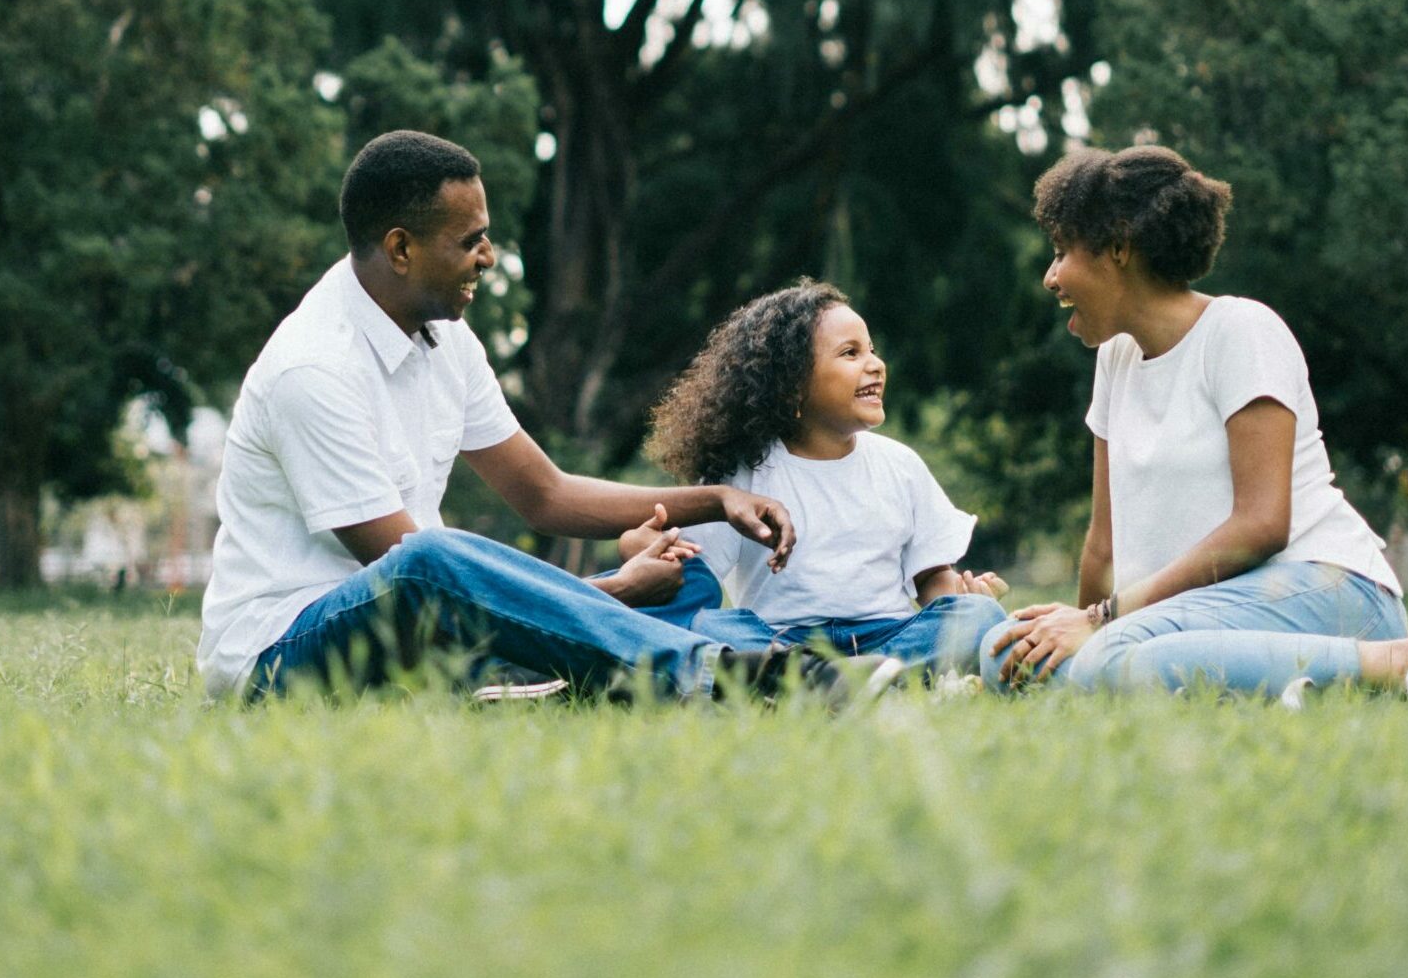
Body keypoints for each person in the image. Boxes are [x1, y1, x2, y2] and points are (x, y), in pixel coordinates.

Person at [196, 130, 821, 703]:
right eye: (470, 241)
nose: (489, 257)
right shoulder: (313, 369)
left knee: (686, 583)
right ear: (401, 248)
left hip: (420, 630)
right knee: (427, 556)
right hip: (281, 655)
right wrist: (617, 592)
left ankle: (532, 682)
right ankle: (716, 673)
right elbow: (418, 580)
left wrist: (716, 500)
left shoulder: (446, 340)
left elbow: (546, 496)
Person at [981, 145, 1408, 710]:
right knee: (1005, 657)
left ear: (1118, 247)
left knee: (1115, 657)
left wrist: (1102, 622)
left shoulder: (1241, 332)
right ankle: (1279, 687)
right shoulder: (1115, 360)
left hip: (1322, 587)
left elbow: (1262, 525)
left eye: (1060, 251)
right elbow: (1103, 545)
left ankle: (1406, 661)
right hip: (1193, 613)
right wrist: (1072, 630)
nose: (1051, 277)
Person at [625, 280, 1010, 680]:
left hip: (888, 635)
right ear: (791, 386)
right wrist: (645, 546)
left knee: (979, 616)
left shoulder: (901, 465)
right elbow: (694, 571)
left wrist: (956, 603)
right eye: (850, 353)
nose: (875, 364)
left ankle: (855, 677)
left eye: (872, 350)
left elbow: (931, 575)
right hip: (781, 643)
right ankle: (834, 678)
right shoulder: (742, 473)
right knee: (712, 628)